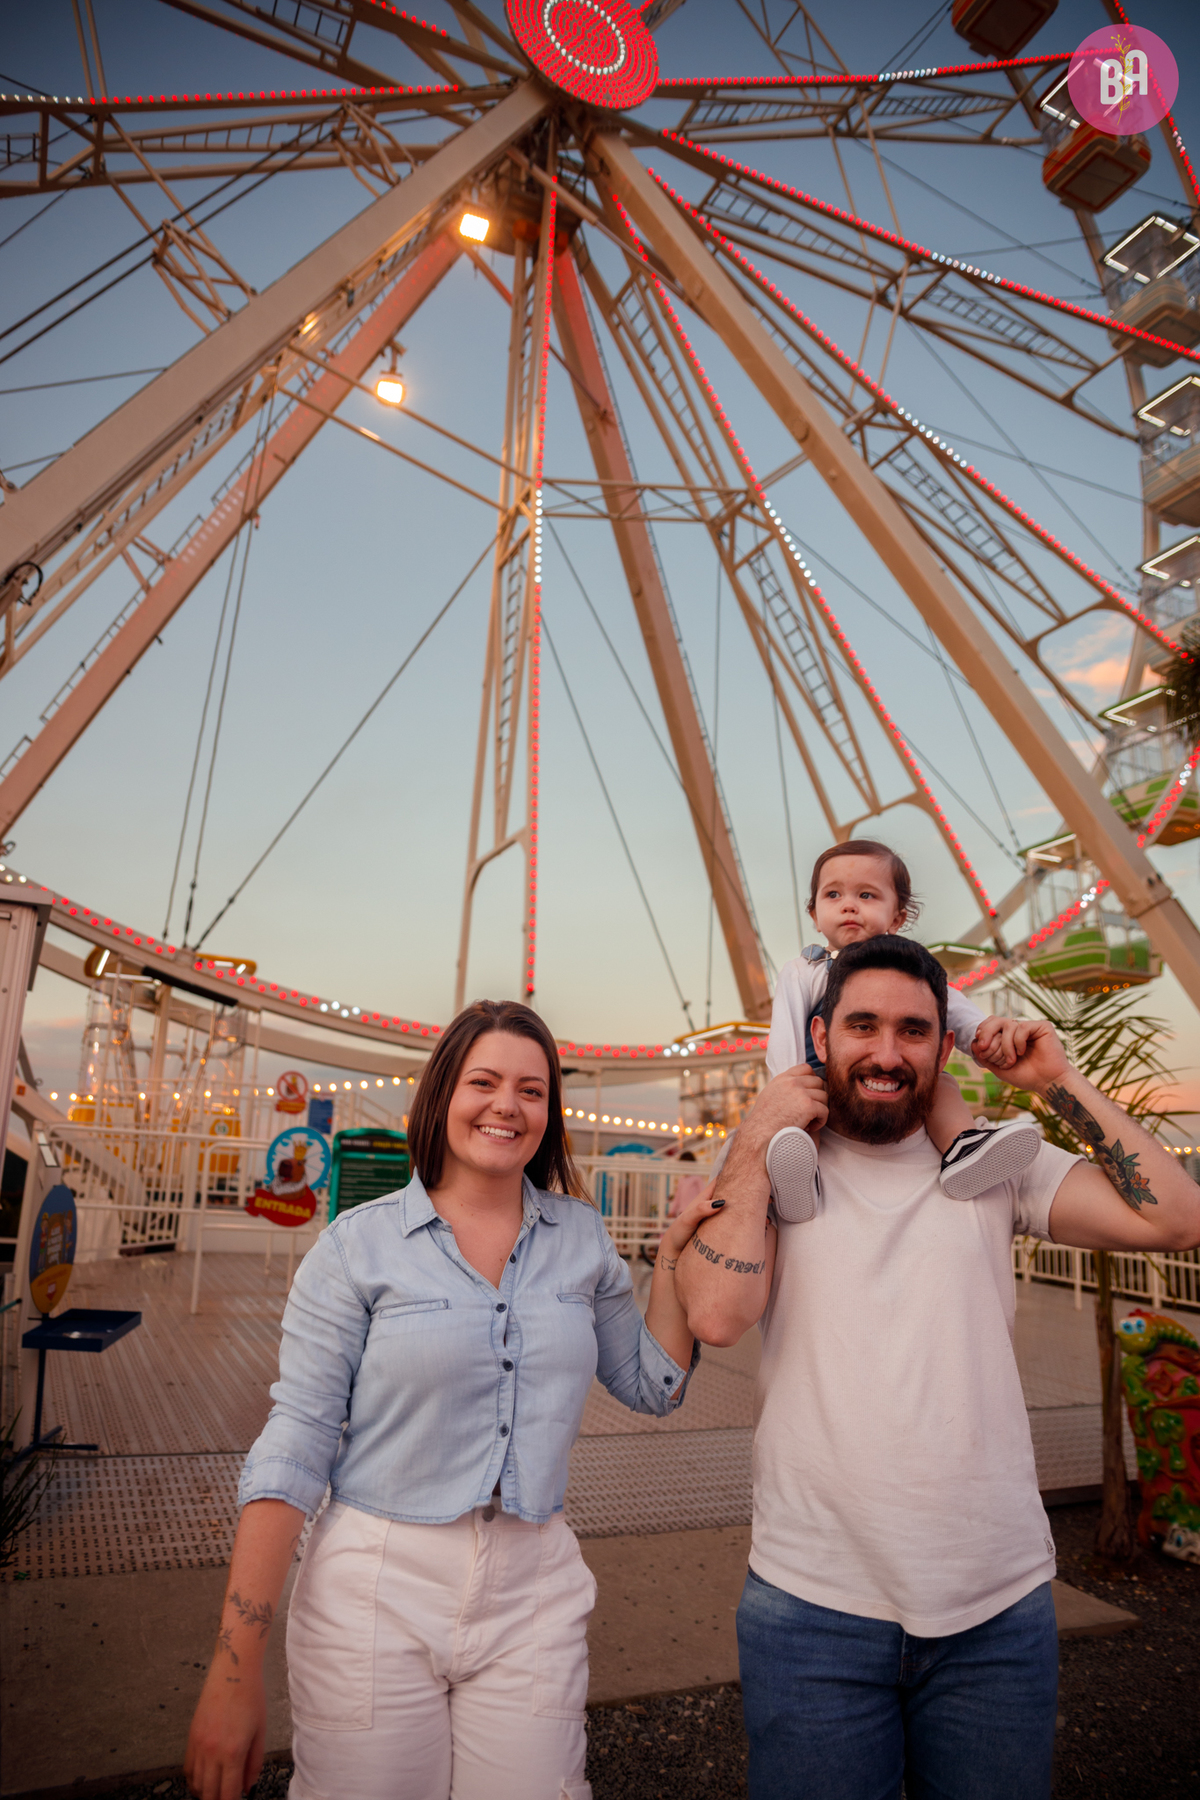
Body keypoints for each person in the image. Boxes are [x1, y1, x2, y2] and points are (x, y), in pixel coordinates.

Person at [675, 934, 1200, 1800]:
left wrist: (1054, 1083)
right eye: (864, 1026)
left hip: (995, 1605)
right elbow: (715, 1317)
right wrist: (759, 1131)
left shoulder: (998, 1168)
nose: (887, 1053)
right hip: (813, 1603)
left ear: (943, 1044)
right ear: (818, 1037)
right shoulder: (780, 1170)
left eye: (914, 1030)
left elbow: (1176, 1221)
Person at [184, 999, 720, 1800]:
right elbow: (294, 1447)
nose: (508, 1104)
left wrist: (675, 1259)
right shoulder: (355, 1249)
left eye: (532, 1091)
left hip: (532, 1584)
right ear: (441, 1098)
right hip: (376, 1585)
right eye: (485, 1082)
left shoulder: (581, 1237)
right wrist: (234, 1667)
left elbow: (652, 1386)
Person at [764, 840, 1039, 1222]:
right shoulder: (805, 971)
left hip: (874, 1078)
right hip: (821, 1076)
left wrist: (981, 1031)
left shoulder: (907, 970)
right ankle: (799, 1178)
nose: (849, 905)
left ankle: (962, 1149)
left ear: (897, 918)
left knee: (941, 1085)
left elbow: (950, 1005)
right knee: (803, 1113)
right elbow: (786, 1030)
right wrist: (787, 1084)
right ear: (814, 914)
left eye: (866, 894)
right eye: (833, 894)